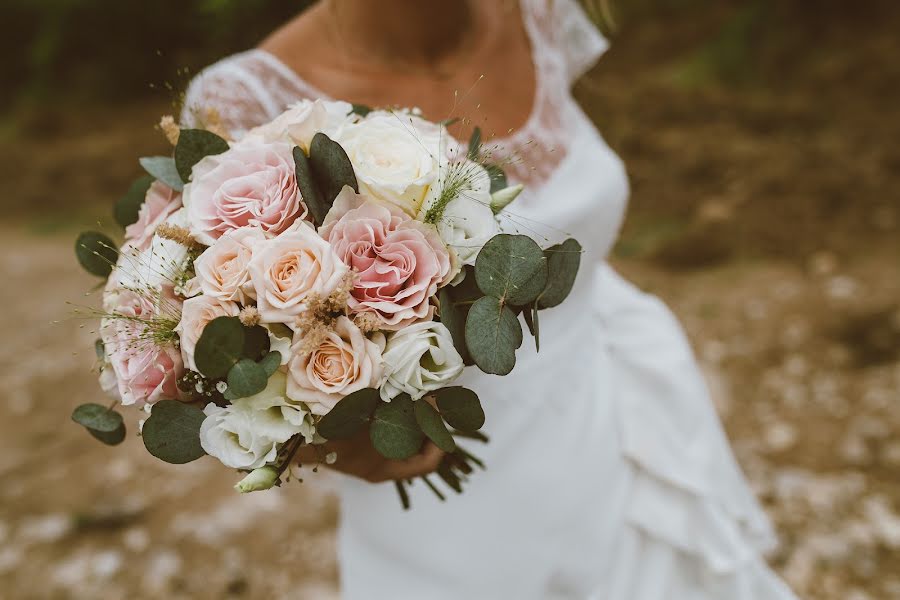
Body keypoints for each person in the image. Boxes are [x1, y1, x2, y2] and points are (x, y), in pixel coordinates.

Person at [181, 1, 798, 598]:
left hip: (622, 419)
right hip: (450, 498)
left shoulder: (538, 13)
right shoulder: (243, 100)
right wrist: (332, 442)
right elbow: (193, 342)